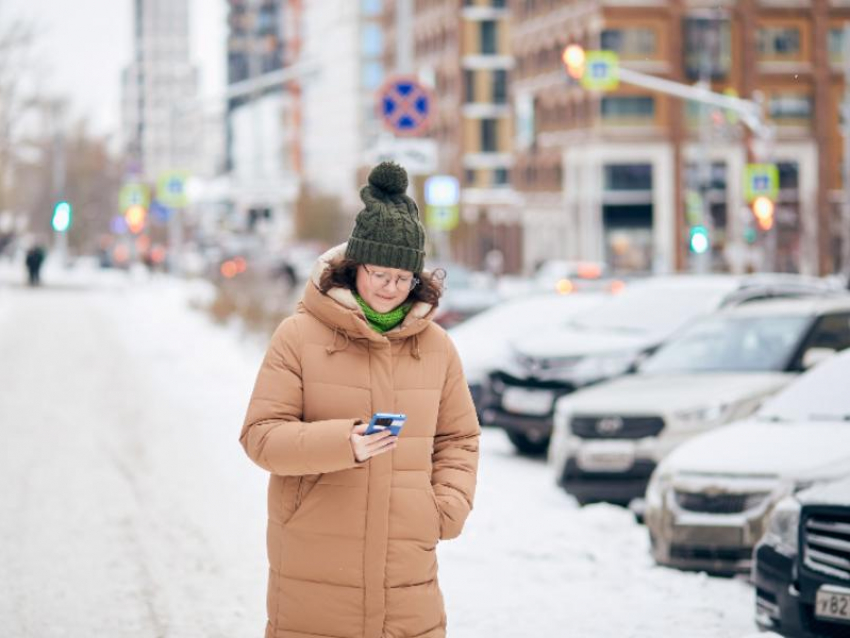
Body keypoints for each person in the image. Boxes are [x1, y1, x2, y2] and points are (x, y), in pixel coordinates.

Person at [240, 161, 480, 638]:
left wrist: (444, 508)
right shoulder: (299, 336)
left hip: (405, 563)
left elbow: (459, 437)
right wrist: (343, 442)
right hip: (315, 554)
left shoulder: (436, 347)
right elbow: (260, 436)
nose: (392, 288)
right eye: (380, 274)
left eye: (404, 278)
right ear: (355, 268)